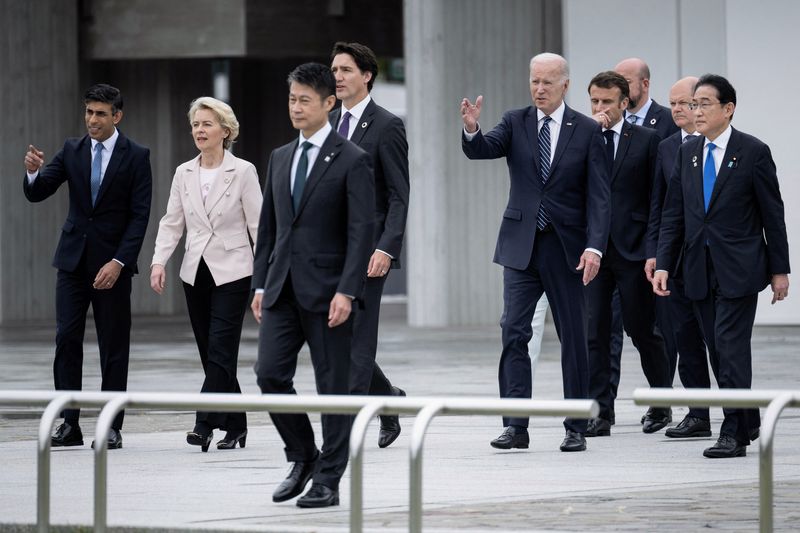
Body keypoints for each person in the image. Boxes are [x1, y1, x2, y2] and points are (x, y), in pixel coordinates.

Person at [461, 52, 610, 453]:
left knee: (574, 338)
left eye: (547, 82)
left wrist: (595, 246)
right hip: (521, 247)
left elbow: (599, 196)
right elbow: (484, 149)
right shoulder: (515, 121)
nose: (539, 88)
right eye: (534, 81)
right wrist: (473, 129)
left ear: (565, 84)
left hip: (569, 249)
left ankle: (576, 425)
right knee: (513, 332)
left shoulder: (587, 130)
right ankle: (515, 426)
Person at [251, 63, 373, 507]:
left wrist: (348, 290)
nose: (296, 107)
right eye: (291, 99)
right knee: (269, 375)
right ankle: (303, 456)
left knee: (334, 389)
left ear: (328, 103)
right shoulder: (279, 157)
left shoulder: (352, 159)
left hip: (329, 294)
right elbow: (270, 228)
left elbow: (362, 232)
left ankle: (329, 479)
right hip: (281, 288)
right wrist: (260, 284)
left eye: (305, 99)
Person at [653, 74, 790, 458]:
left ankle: (732, 431)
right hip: (696, 266)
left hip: (740, 268)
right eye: (692, 104)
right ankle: (746, 421)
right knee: (717, 349)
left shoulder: (752, 152)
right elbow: (673, 214)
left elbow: (771, 215)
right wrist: (665, 262)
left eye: (703, 104)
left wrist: (780, 270)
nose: (695, 112)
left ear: (728, 109)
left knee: (730, 348)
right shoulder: (688, 152)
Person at [23, 83, 152, 449]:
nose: (92, 120)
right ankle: (69, 423)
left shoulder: (137, 156)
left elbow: (140, 217)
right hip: (72, 263)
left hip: (113, 266)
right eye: (88, 112)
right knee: (66, 340)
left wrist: (118, 261)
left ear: (117, 116)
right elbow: (38, 191)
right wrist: (33, 171)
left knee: (113, 346)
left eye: (99, 114)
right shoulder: (72, 149)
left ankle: (111, 425)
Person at [150, 97, 261, 452]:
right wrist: (158, 261)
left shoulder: (243, 171)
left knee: (221, 350)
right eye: (196, 124)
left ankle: (204, 422)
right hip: (194, 272)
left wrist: (266, 278)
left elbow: (259, 225)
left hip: (234, 271)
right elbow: (172, 221)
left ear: (225, 131)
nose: (199, 130)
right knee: (211, 353)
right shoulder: (183, 172)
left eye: (207, 124)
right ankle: (238, 423)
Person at [329, 42, 410, 448]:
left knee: (359, 338)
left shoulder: (387, 125)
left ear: (367, 75)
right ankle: (388, 400)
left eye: (346, 69)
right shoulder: (325, 123)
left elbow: (399, 194)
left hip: (369, 251)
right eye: (335, 70)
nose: (338, 76)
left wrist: (386, 247)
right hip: (328, 251)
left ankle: (348, 427)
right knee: (336, 337)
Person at [583, 71, 672, 438]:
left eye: (607, 102)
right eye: (595, 101)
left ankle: (661, 401)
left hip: (634, 250)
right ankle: (601, 412)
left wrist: (654, 251)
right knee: (596, 332)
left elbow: (657, 199)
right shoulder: (581, 135)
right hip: (592, 251)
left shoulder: (648, 139)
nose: (600, 108)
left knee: (642, 330)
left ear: (624, 103)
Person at [610, 57, 680, 426]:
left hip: (648, 244)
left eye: (625, 81)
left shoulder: (667, 123)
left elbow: (666, 188)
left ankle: (661, 400)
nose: (618, 89)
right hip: (609, 247)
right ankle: (601, 410)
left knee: (651, 330)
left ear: (645, 85)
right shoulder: (604, 127)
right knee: (604, 331)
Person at [645, 77, 713, 439]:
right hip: (678, 258)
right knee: (683, 338)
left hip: (714, 259)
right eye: (672, 104)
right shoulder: (668, 146)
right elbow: (661, 205)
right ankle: (698, 414)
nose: (676, 110)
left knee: (718, 341)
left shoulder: (721, 145)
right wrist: (657, 254)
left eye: (684, 103)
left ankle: (739, 416)